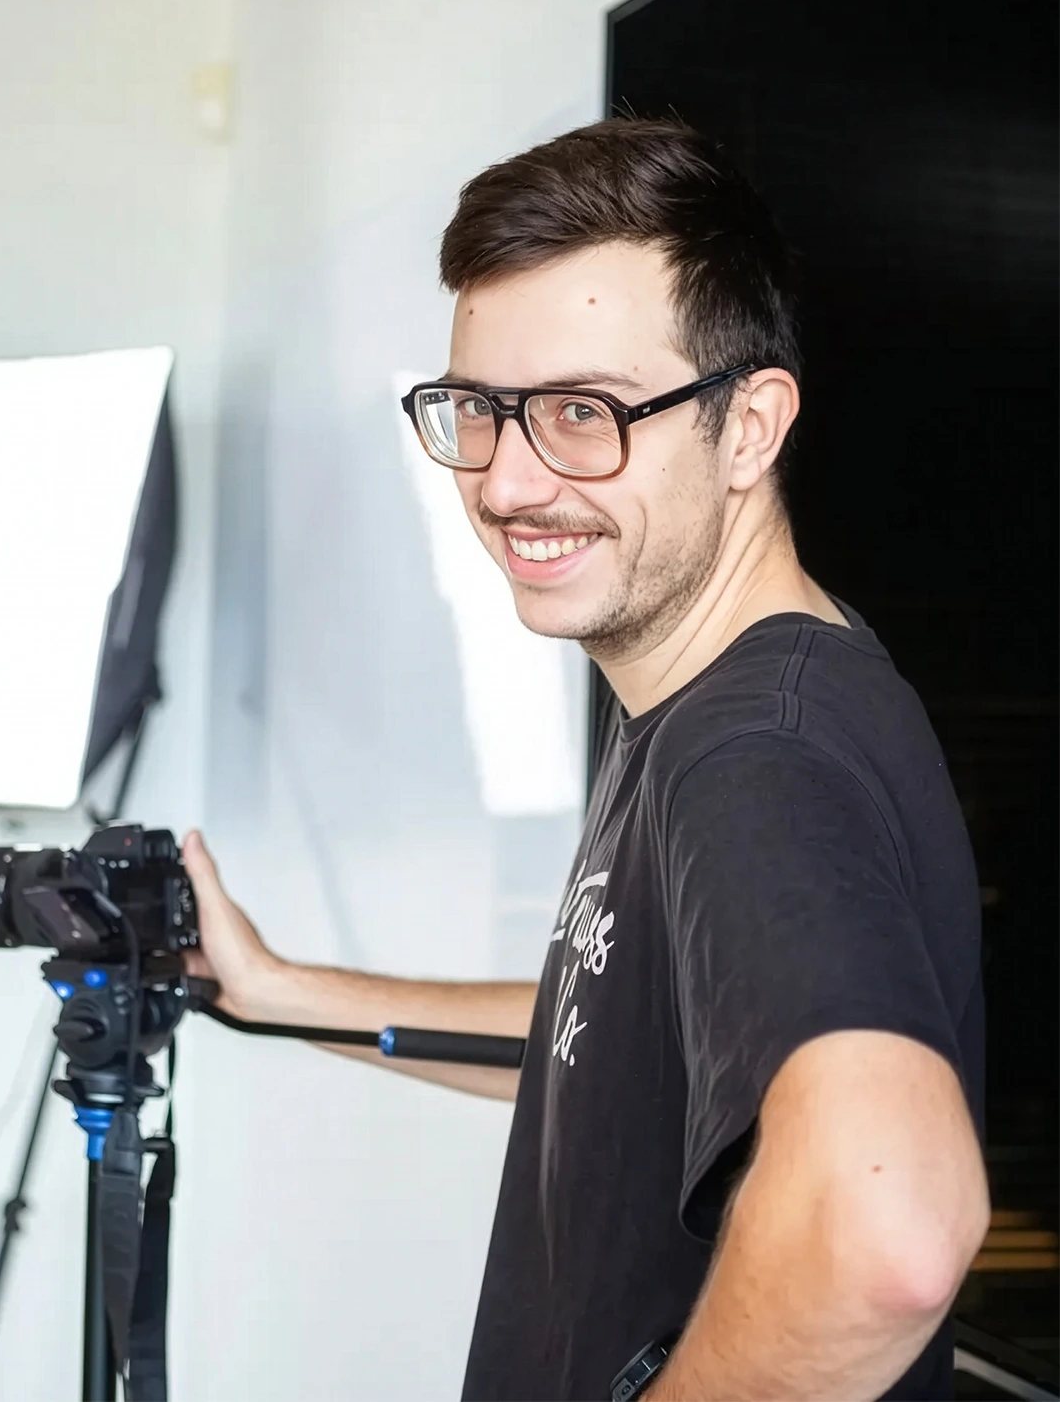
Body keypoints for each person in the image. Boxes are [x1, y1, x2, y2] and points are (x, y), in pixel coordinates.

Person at [182, 118, 988, 1402]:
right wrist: (282, 991)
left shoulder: (750, 751)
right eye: (477, 413)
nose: (506, 483)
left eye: (580, 414)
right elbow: (612, 1040)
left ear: (747, 427)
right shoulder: (689, 695)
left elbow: (888, 1226)